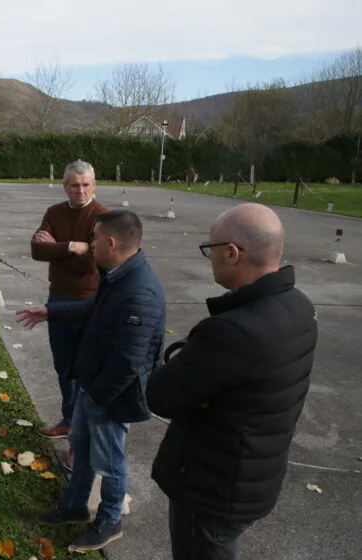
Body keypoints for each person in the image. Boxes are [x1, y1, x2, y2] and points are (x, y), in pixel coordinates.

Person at [147, 203, 318, 560]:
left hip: (212, 489)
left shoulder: (232, 332)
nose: (209, 258)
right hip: (254, 474)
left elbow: (161, 395)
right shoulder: (298, 305)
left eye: (209, 248)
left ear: (231, 253)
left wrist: (190, 368)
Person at [18, 210, 166, 553]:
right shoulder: (117, 275)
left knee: (109, 462)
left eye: (95, 239)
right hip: (93, 387)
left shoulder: (139, 290)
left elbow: (128, 361)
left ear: (111, 243)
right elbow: (93, 310)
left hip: (110, 396)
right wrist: (51, 312)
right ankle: (74, 506)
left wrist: (98, 397)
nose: (91, 245)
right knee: (81, 449)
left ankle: (110, 520)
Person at [31, 160, 108, 443]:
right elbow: (37, 250)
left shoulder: (102, 216)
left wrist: (56, 248)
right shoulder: (54, 212)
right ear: (65, 186)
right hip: (58, 299)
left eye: (86, 185)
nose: (80, 190)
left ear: (94, 185)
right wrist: (72, 247)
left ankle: (81, 433)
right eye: (75, 185)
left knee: (85, 368)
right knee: (63, 365)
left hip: (89, 302)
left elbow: (90, 265)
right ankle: (69, 420)